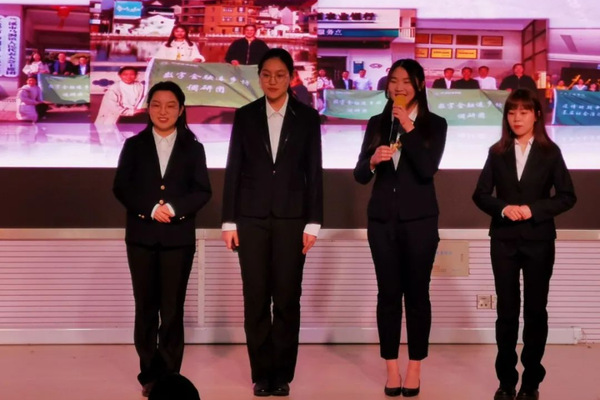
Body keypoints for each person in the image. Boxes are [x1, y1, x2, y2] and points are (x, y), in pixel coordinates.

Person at [221, 48, 323, 397]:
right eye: (266, 74)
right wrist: (228, 220)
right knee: (255, 298)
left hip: (292, 220)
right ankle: (261, 373)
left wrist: (313, 222)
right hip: (250, 218)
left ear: (291, 77)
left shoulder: (307, 117)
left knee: (286, 299)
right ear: (259, 77)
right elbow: (233, 169)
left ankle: (281, 374)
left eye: (280, 75)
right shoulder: (246, 115)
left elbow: (314, 172)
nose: (273, 81)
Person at [472, 88, 576, 400]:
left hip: (539, 241)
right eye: (512, 112)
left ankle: (531, 383)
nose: (517, 118)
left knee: (535, 311)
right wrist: (503, 208)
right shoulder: (497, 152)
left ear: (536, 115)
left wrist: (534, 210)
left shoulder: (550, 152)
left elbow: (567, 196)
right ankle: (506, 382)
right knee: (506, 312)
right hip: (503, 241)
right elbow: (480, 194)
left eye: (524, 111)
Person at [354, 59, 447, 398]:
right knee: (388, 295)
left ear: (419, 85)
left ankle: (415, 367)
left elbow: (427, 168)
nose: (399, 87)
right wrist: (371, 161)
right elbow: (360, 174)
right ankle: (391, 367)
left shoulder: (435, 124)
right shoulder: (377, 123)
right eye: (393, 80)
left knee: (417, 295)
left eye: (406, 81)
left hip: (420, 221)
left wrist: (409, 126)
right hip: (382, 221)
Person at [113, 81, 212, 398]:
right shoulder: (134, 145)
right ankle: (149, 375)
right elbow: (122, 187)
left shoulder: (193, 148)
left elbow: (202, 190)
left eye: (171, 105)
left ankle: (169, 376)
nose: (163, 111)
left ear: (181, 110)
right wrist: (150, 209)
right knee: (145, 309)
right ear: (148, 108)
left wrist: (174, 208)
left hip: (177, 240)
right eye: (156, 104)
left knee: (171, 311)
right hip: (141, 238)